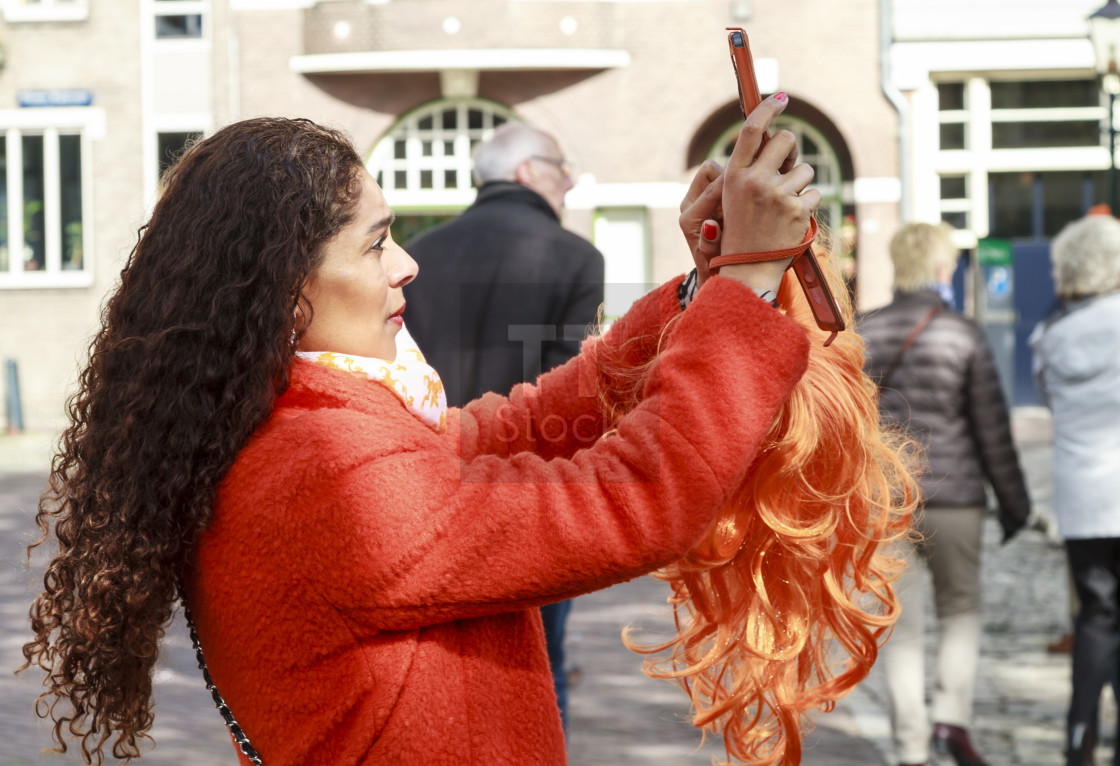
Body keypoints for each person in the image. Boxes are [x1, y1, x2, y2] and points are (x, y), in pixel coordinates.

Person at [22, 102, 911, 766]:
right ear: (288, 294)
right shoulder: (319, 469)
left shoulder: (301, 422)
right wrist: (748, 284)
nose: (408, 263)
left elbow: (517, 426)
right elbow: (631, 500)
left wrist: (704, 292)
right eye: (375, 247)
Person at [403, 122, 606, 731]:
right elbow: (568, 394)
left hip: (428, 491)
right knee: (537, 670)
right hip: (529, 500)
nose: (569, 181)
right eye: (561, 166)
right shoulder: (576, 256)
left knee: (440, 673)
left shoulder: (420, 255)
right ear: (526, 172)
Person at [859, 222, 1031, 766]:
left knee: (899, 625)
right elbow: (991, 430)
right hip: (956, 498)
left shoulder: (864, 334)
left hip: (887, 501)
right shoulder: (964, 333)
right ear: (941, 268)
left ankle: (910, 749)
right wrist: (1015, 503)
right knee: (961, 609)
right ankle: (950, 723)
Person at [1029, 214, 1120, 766]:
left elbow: (1049, 400)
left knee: (1095, 615)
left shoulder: (1050, 337)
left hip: (1083, 499)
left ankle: (1079, 736)